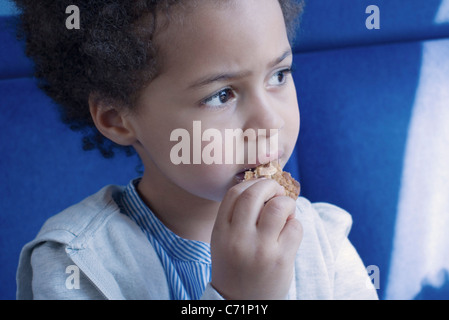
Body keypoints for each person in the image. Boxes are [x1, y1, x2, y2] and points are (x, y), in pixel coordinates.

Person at [14, 0, 378, 300]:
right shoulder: (77, 264)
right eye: (221, 95)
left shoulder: (323, 242)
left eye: (278, 75)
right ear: (117, 119)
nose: (269, 123)